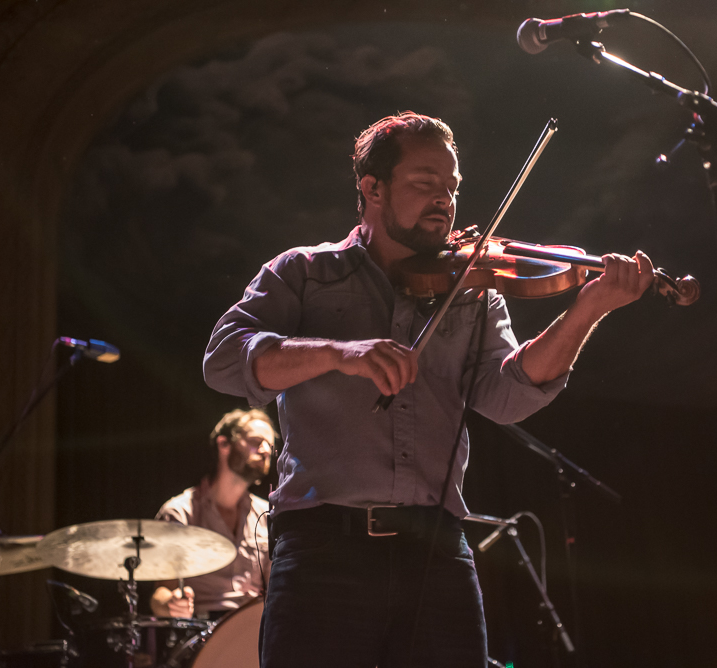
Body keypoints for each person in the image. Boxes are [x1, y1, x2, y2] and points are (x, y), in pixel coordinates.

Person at [203, 112, 654, 666]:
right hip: (323, 550)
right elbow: (224, 360)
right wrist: (340, 353)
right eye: (424, 183)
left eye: (452, 187)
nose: (444, 200)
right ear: (372, 188)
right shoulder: (303, 273)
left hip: (436, 551)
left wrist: (587, 311)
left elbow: (506, 397)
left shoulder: (473, 289)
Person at [150, 408, 275, 619]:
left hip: (254, 629)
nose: (265, 450)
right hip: (204, 633)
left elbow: (275, 591)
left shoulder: (268, 515)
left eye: (270, 446)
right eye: (256, 441)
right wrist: (171, 603)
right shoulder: (180, 512)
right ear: (224, 444)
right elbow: (159, 595)